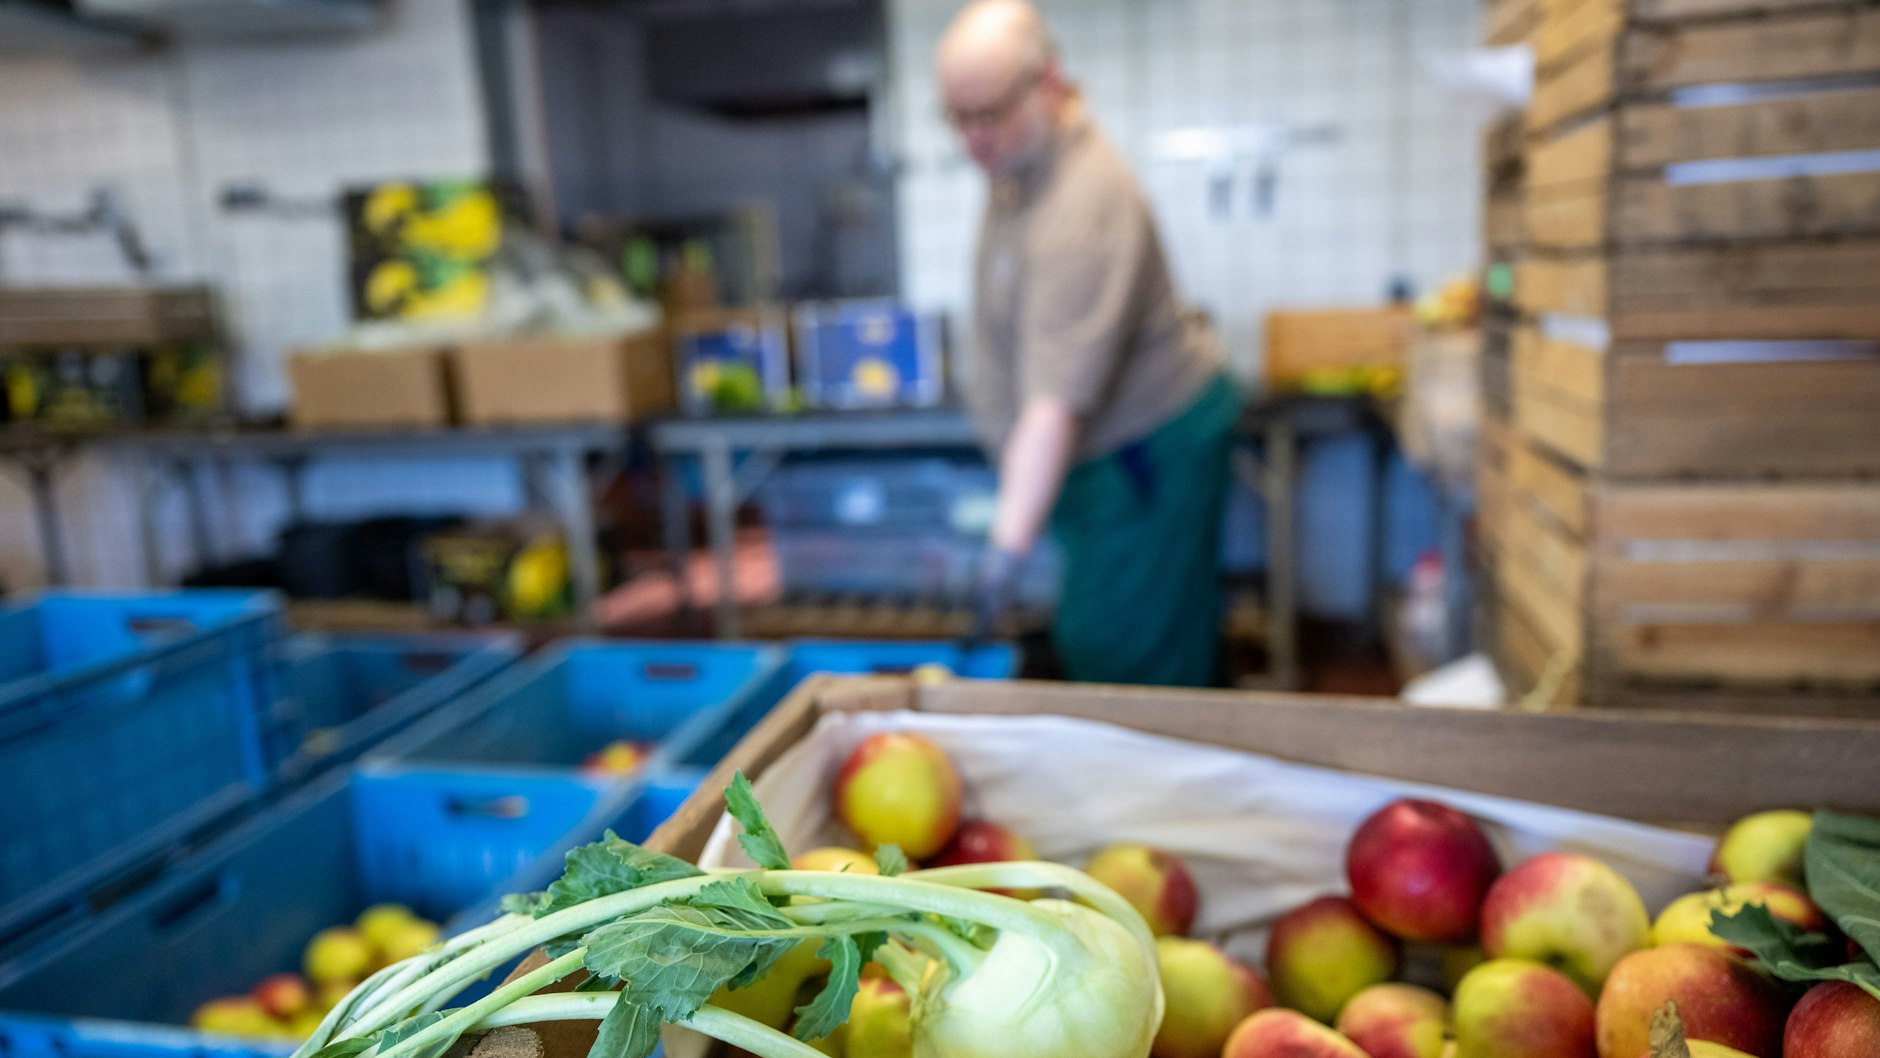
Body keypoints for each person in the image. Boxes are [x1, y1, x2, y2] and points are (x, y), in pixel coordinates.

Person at [940, 0, 1243, 687]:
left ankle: (1170, 783)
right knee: (1137, 629)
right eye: (958, 118)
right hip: (1105, 464)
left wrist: (1001, 562)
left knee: (1123, 648)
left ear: (1047, 83)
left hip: (1146, 457)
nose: (973, 139)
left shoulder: (1083, 202)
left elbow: (1054, 409)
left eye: (988, 113)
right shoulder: (1020, 167)